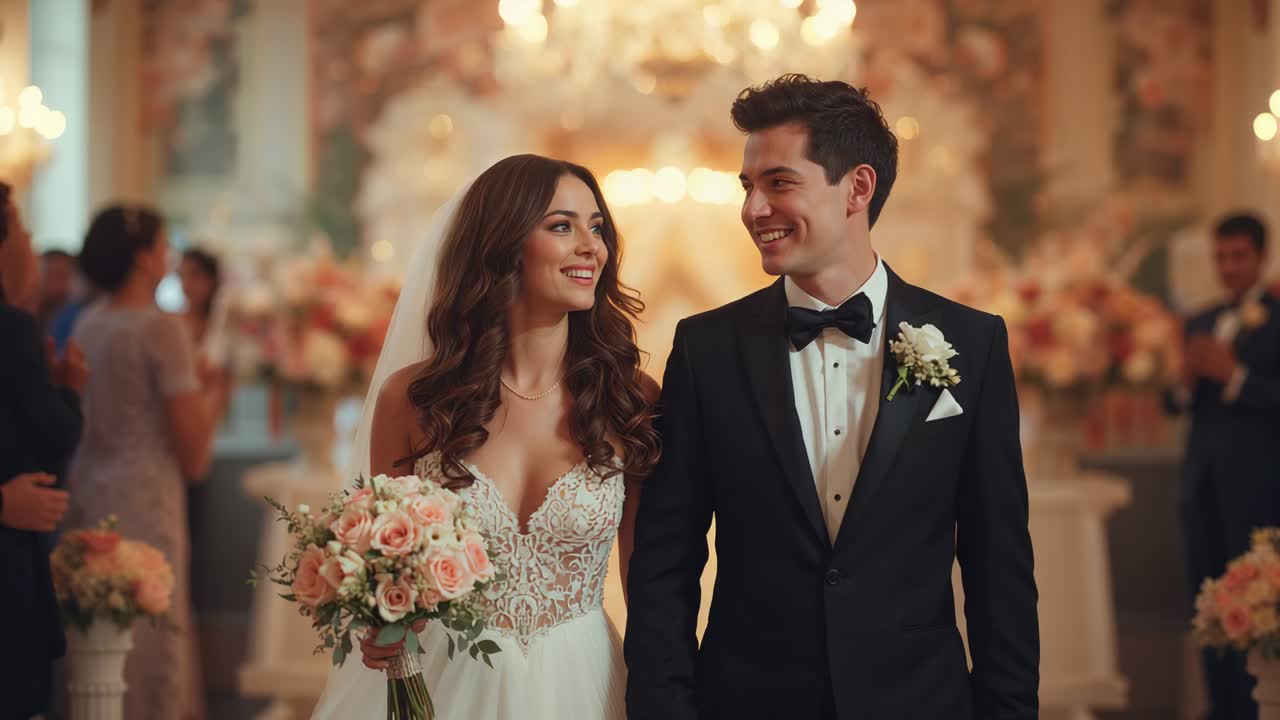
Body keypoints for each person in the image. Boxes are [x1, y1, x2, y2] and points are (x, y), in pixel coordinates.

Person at [624, 75, 1039, 720]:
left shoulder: (971, 344)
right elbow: (664, 562)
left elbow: (999, 564)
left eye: (779, 183)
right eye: (748, 186)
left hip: (919, 702)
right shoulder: (707, 350)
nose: (753, 208)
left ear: (858, 188)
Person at [311, 154, 660, 719]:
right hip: (444, 685)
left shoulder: (629, 398)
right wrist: (385, 624)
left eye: (597, 227)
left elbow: (647, 582)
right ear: (503, 244)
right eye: (561, 226)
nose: (591, 246)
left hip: (586, 686)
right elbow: (387, 570)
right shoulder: (416, 401)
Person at [64, 205, 225, 720]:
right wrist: (214, 390)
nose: (168, 257)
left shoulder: (87, 323)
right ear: (142, 258)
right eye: (162, 247)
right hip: (146, 500)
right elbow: (195, 455)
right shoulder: (162, 330)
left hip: (87, 494)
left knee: (97, 640)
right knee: (151, 638)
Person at [1174, 212, 1280, 720]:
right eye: (1221, 257)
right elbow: (1174, 404)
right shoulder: (1199, 320)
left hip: (1260, 489)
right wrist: (1185, 380)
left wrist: (1235, 376)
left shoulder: (1277, 317)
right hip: (1202, 487)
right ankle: (1219, 709)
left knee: (1254, 611)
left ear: (1261, 256)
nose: (1229, 267)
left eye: (1239, 256)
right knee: (1209, 608)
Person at [0, 180, 86, 720]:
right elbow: (54, 438)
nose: (29, 241)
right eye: (21, 229)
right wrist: (70, 389)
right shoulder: (10, 328)